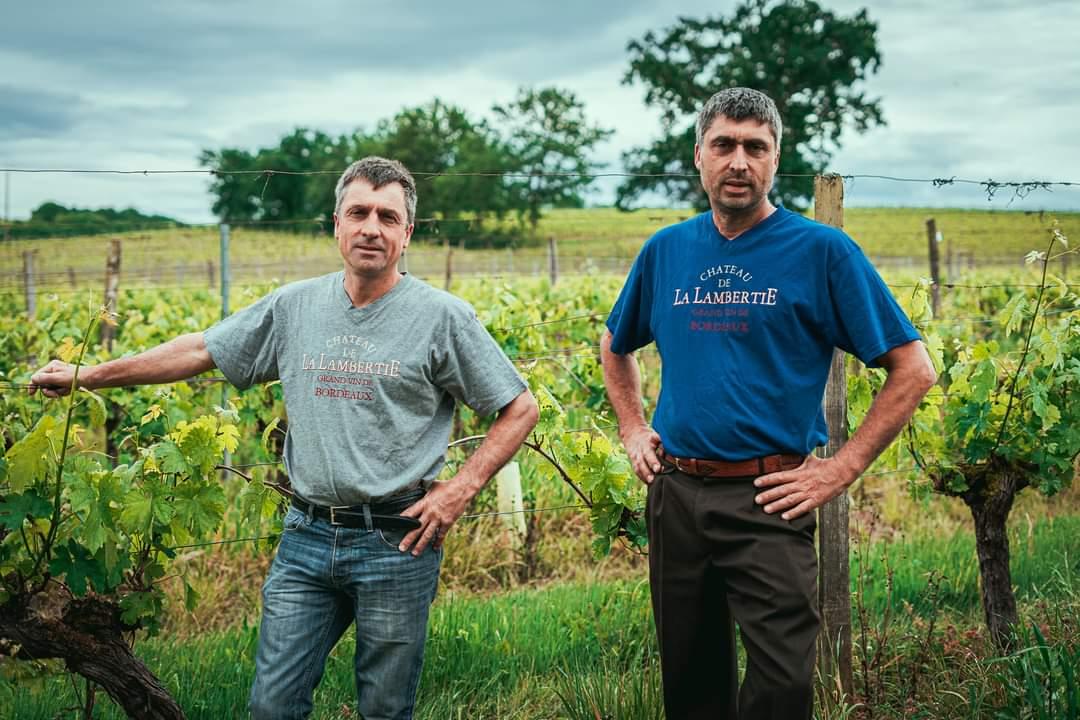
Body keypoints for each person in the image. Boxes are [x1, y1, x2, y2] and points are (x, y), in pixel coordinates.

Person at [31, 156, 539, 720]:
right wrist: (88, 375)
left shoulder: (443, 317)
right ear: (337, 224)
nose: (372, 227)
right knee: (273, 705)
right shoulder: (294, 306)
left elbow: (520, 406)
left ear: (408, 232)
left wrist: (461, 489)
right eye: (359, 212)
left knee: (386, 708)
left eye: (388, 217)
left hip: (398, 539)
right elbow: (200, 349)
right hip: (307, 536)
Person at [600, 88, 936, 720]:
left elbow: (912, 369)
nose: (738, 162)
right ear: (698, 155)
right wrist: (631, 427)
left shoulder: (821, 252)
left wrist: (841, 467)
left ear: (776, 159)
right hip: (675, 494)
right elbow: (615, 345)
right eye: (724, 145)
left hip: (769, 497)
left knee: (783, 685)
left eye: (756, 147)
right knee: (691, 682)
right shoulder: (667, 249)